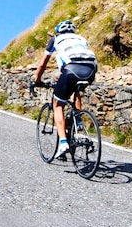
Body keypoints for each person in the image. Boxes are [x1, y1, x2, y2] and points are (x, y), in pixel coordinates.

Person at [33, 20, 97, 160]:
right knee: (76, 89)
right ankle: (78, 118)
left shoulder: (55, 39)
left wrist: (37, 80)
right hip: (91, 68)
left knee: (58, 104)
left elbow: (43, 63)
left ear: (58, 31)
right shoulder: (81, 38)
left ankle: (62, 143)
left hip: (71, 69)